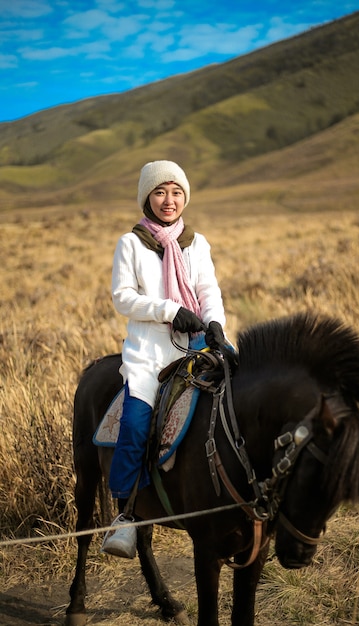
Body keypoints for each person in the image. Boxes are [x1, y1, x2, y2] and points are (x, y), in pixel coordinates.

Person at [101, 160, 228, 558]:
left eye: (175, 192)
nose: (168, 200)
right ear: (147, 198)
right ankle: (125, 515)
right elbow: (123, 297)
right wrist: (170, 311)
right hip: (149, 354)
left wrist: (215, 324)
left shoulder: (197, 243)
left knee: (238, 395)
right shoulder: (131, 243)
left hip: (196, 346)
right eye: (159, 192)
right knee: (137, 423)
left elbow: (208, 290)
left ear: (184, 197)